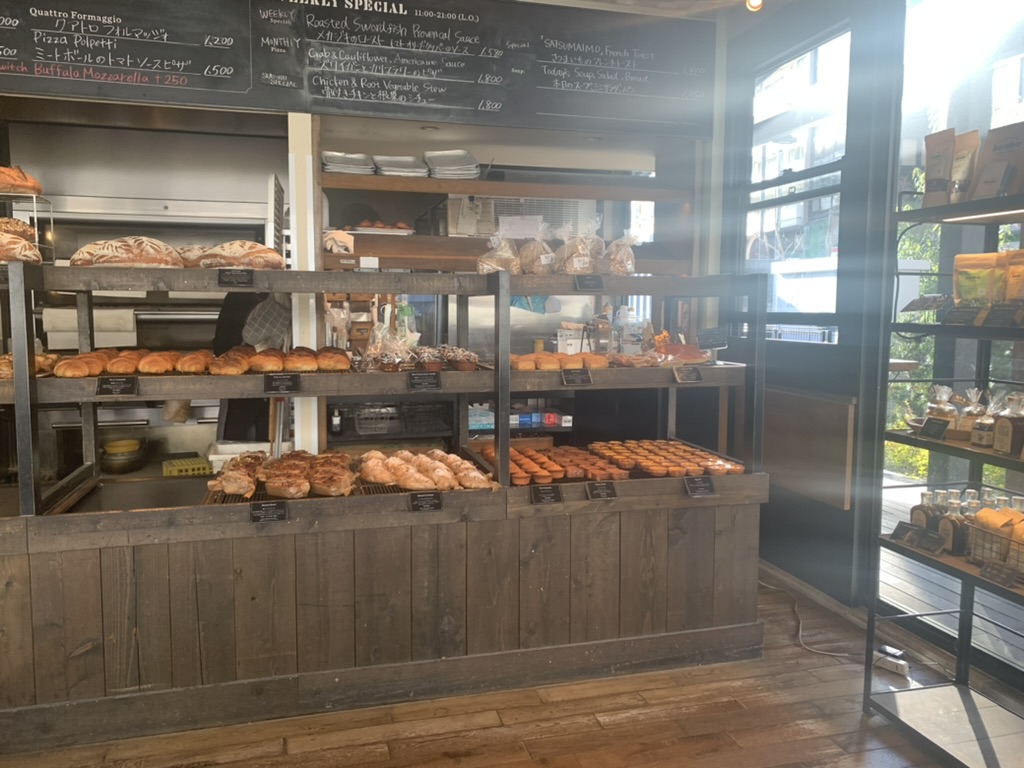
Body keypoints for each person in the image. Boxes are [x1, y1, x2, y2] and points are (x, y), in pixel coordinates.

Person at [213, 292, 269, 441]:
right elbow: (222, 342)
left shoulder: (237, 296)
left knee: (265, 437)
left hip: (256, 378)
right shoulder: (238, 297)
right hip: (240, 379)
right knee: (235, 436)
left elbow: (220, 343)